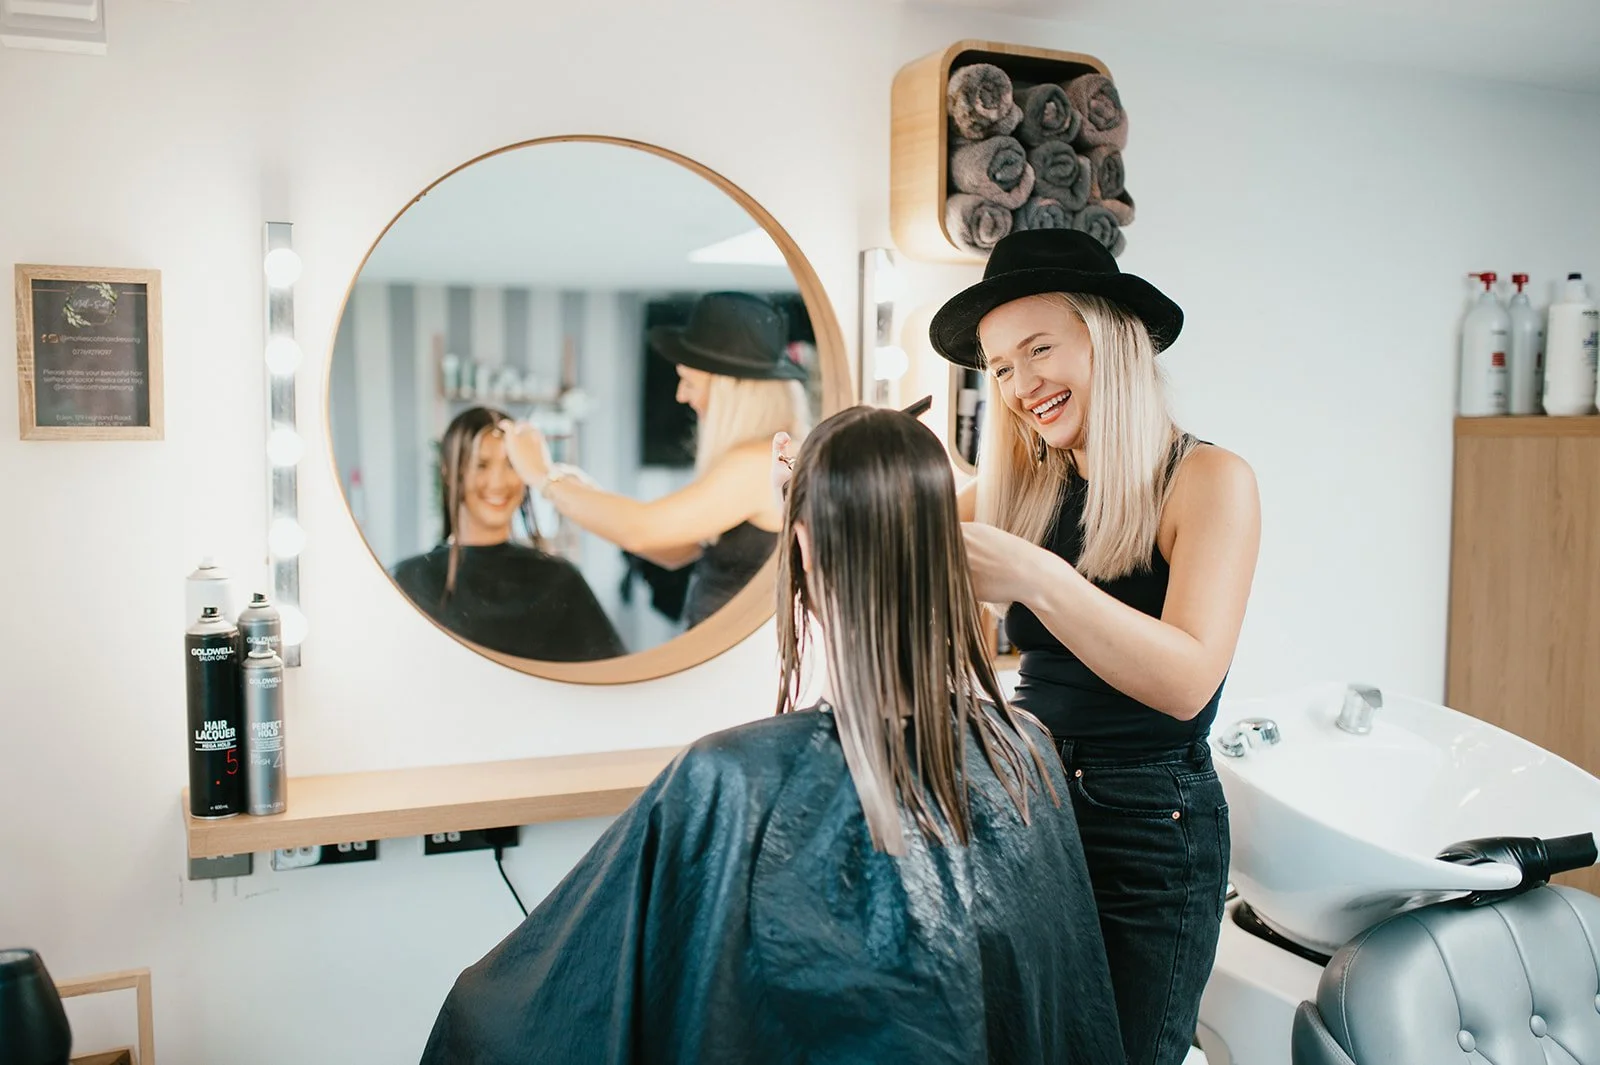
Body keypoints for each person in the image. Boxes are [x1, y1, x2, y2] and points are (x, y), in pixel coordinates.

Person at [418, 406, 1127, 1065]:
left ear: (805, 552)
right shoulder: (1024, 753)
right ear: (951, 549)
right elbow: (1067, 1015)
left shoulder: (728, 780)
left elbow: (532, 1016)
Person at [924, 229, 1261, 1065]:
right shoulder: (1019, 494)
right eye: (1001, 366)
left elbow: (1186, 681)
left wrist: (1039, 579)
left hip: (1147, 825)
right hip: (1028, 798)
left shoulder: (1209, 481)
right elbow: (875, 550)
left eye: (1040, 348)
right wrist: (817, 483)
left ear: (1109, 337)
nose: (1019, 383)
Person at [502, 291, 811, 629]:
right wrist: (580, 492)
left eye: (689, 382)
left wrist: (542, 476)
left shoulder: (760, 465)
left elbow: (641, 530)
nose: (681, 395)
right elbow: (675, 550)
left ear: (730, 389)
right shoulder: (765, 460)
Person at [390, 406, 625, 662]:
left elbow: (608, 675)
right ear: (449, 472)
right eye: (481, 465)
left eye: (511, 465)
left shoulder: (560, 581)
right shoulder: (410, 582)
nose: (498, 482)